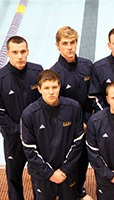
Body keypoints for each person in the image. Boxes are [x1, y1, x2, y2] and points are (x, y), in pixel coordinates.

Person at [0, 36, 43, 200]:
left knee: (39, 177)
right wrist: (20, 132)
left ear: (28, 51)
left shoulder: (37, 72)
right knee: (14, 177)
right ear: (8, 53)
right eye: (15, 52)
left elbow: (45, 103)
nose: (20, 56)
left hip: (37, 137)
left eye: (23, 51)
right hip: (14, 139)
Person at [21, 70, 84, 199]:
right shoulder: (29, 114)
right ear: (39, 89)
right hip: (42, 174)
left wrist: (64, 170)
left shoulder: (73, 108)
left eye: (54, 87)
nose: (51, 92)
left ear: (59, 87)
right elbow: (29, 149)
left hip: (67, 172)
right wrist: (49, 173)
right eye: (46, 88)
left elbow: (78, 142)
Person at [50, 26, 93, 200]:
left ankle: (78, 189)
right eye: (65, 43)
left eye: (73, 42)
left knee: (84, 160)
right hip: (67, 127)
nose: (69, 47)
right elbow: (55, 105)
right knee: (70, 161)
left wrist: (89, 121)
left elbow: (94, 96)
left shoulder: (87, 66)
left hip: (87, 124)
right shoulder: (54, 73)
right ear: (57, 45)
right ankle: (68, 192)